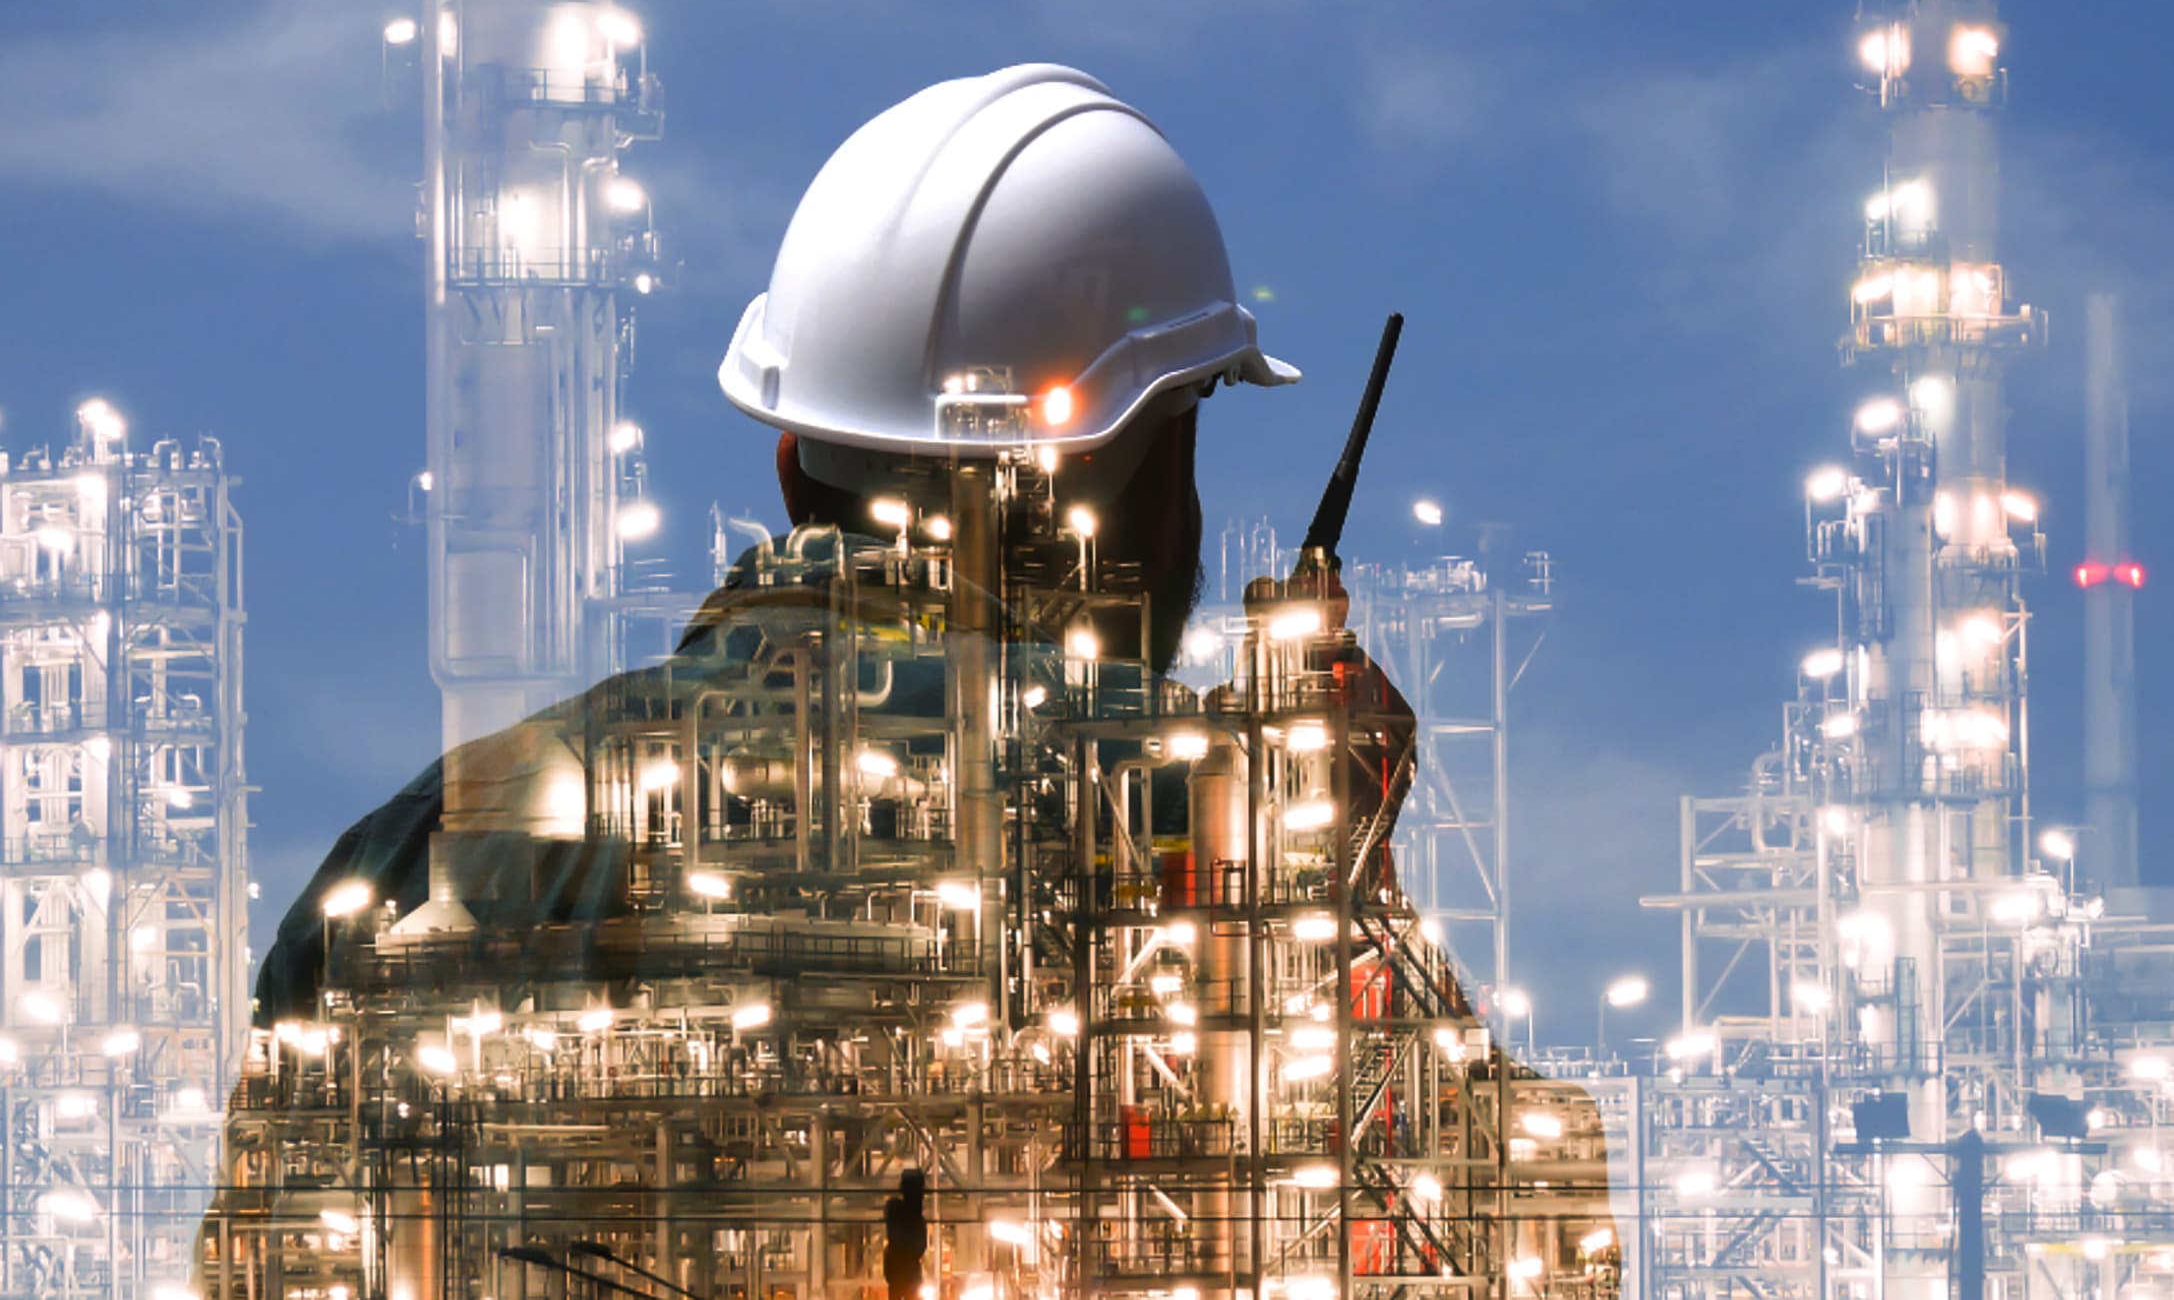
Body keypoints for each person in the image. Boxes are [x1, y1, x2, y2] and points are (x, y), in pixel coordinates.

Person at [199, 65, 1613, 1300]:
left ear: (790, 460)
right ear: (1148, 485)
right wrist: (1330, 844)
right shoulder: (1218, 832)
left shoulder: (407, 855)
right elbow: (1514, 1251)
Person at [884, 1170, 930, 1300]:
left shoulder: (895, 1209)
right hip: (904, 1269)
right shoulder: (913, 1219)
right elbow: (918, 1248)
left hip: (899, 1269)